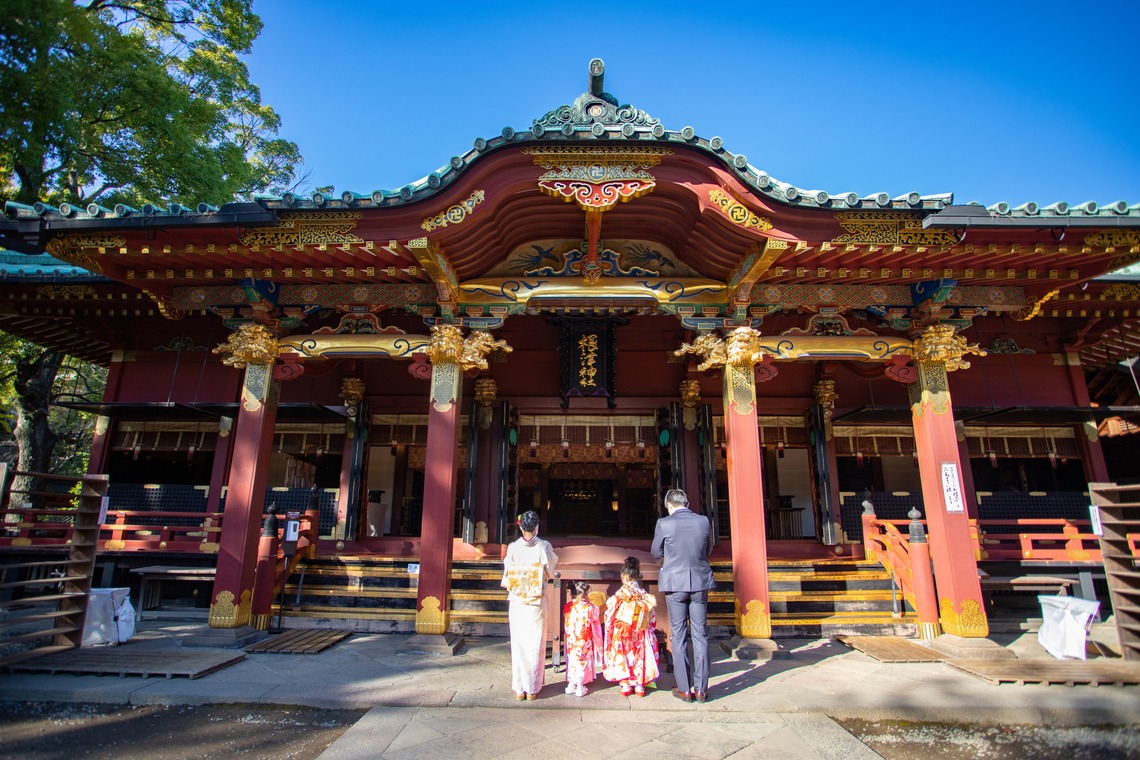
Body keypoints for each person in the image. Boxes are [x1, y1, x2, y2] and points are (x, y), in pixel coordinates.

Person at [651, 488, 715, 703]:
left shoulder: (665, 523)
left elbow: (655, 552)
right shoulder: (704, 521)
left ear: (669, 505)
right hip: (699, 582)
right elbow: (708, 549)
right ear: (686, 503)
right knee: (700, 635)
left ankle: (684, 688)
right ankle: (701, 689)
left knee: (678, 635)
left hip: (675, 583)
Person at [501, 510, 559, 701]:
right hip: (535, 601)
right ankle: (532, 688)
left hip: (517, 600)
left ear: (520, 526)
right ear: (536, 527)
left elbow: (508, 572)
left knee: (518, 644)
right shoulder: (544, 546)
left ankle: (519, 688)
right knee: (535, 644)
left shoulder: (513, 548)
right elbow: (551, 569)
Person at [602, 556, 659, 696]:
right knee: (639, 653)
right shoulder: (643, 593)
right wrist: (649, 627)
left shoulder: (622, 592)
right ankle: (639, 684)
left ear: (625, 577)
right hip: (640, 627)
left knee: (623, 653)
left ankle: (626, 684)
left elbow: (610, 605)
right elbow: (651, 613)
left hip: (623, 628)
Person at [562, 580, 602, 697]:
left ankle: (570, 684)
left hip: (571, 639)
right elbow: (595, 621)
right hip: (585, 639)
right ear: (585, 594)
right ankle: (580, 686)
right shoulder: (590, 607)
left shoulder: (568, 606)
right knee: (583, 661)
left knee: (572, 660)